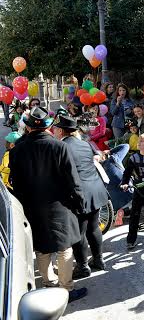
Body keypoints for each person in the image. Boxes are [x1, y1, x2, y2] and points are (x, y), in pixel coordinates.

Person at [9, 107, 87, 302]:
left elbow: (15, 181)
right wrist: (80, 203)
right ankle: (65, 289)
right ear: (49, 126)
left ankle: (48, 283)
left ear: (27, 127)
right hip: (59, 205)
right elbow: (72, 180)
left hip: (30, 205)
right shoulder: (59, 147)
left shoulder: (17, 148)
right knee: (64, 247)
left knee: (42, 247)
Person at [53, 115, 110, 279]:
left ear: (62, 130)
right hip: (95, 189)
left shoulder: (61, 146)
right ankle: (98, 260)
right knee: (93, 227)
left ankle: (83, 266)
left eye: (56, 128)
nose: (54, 131)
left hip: (79, 193)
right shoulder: (85, 143)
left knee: (79, 232)